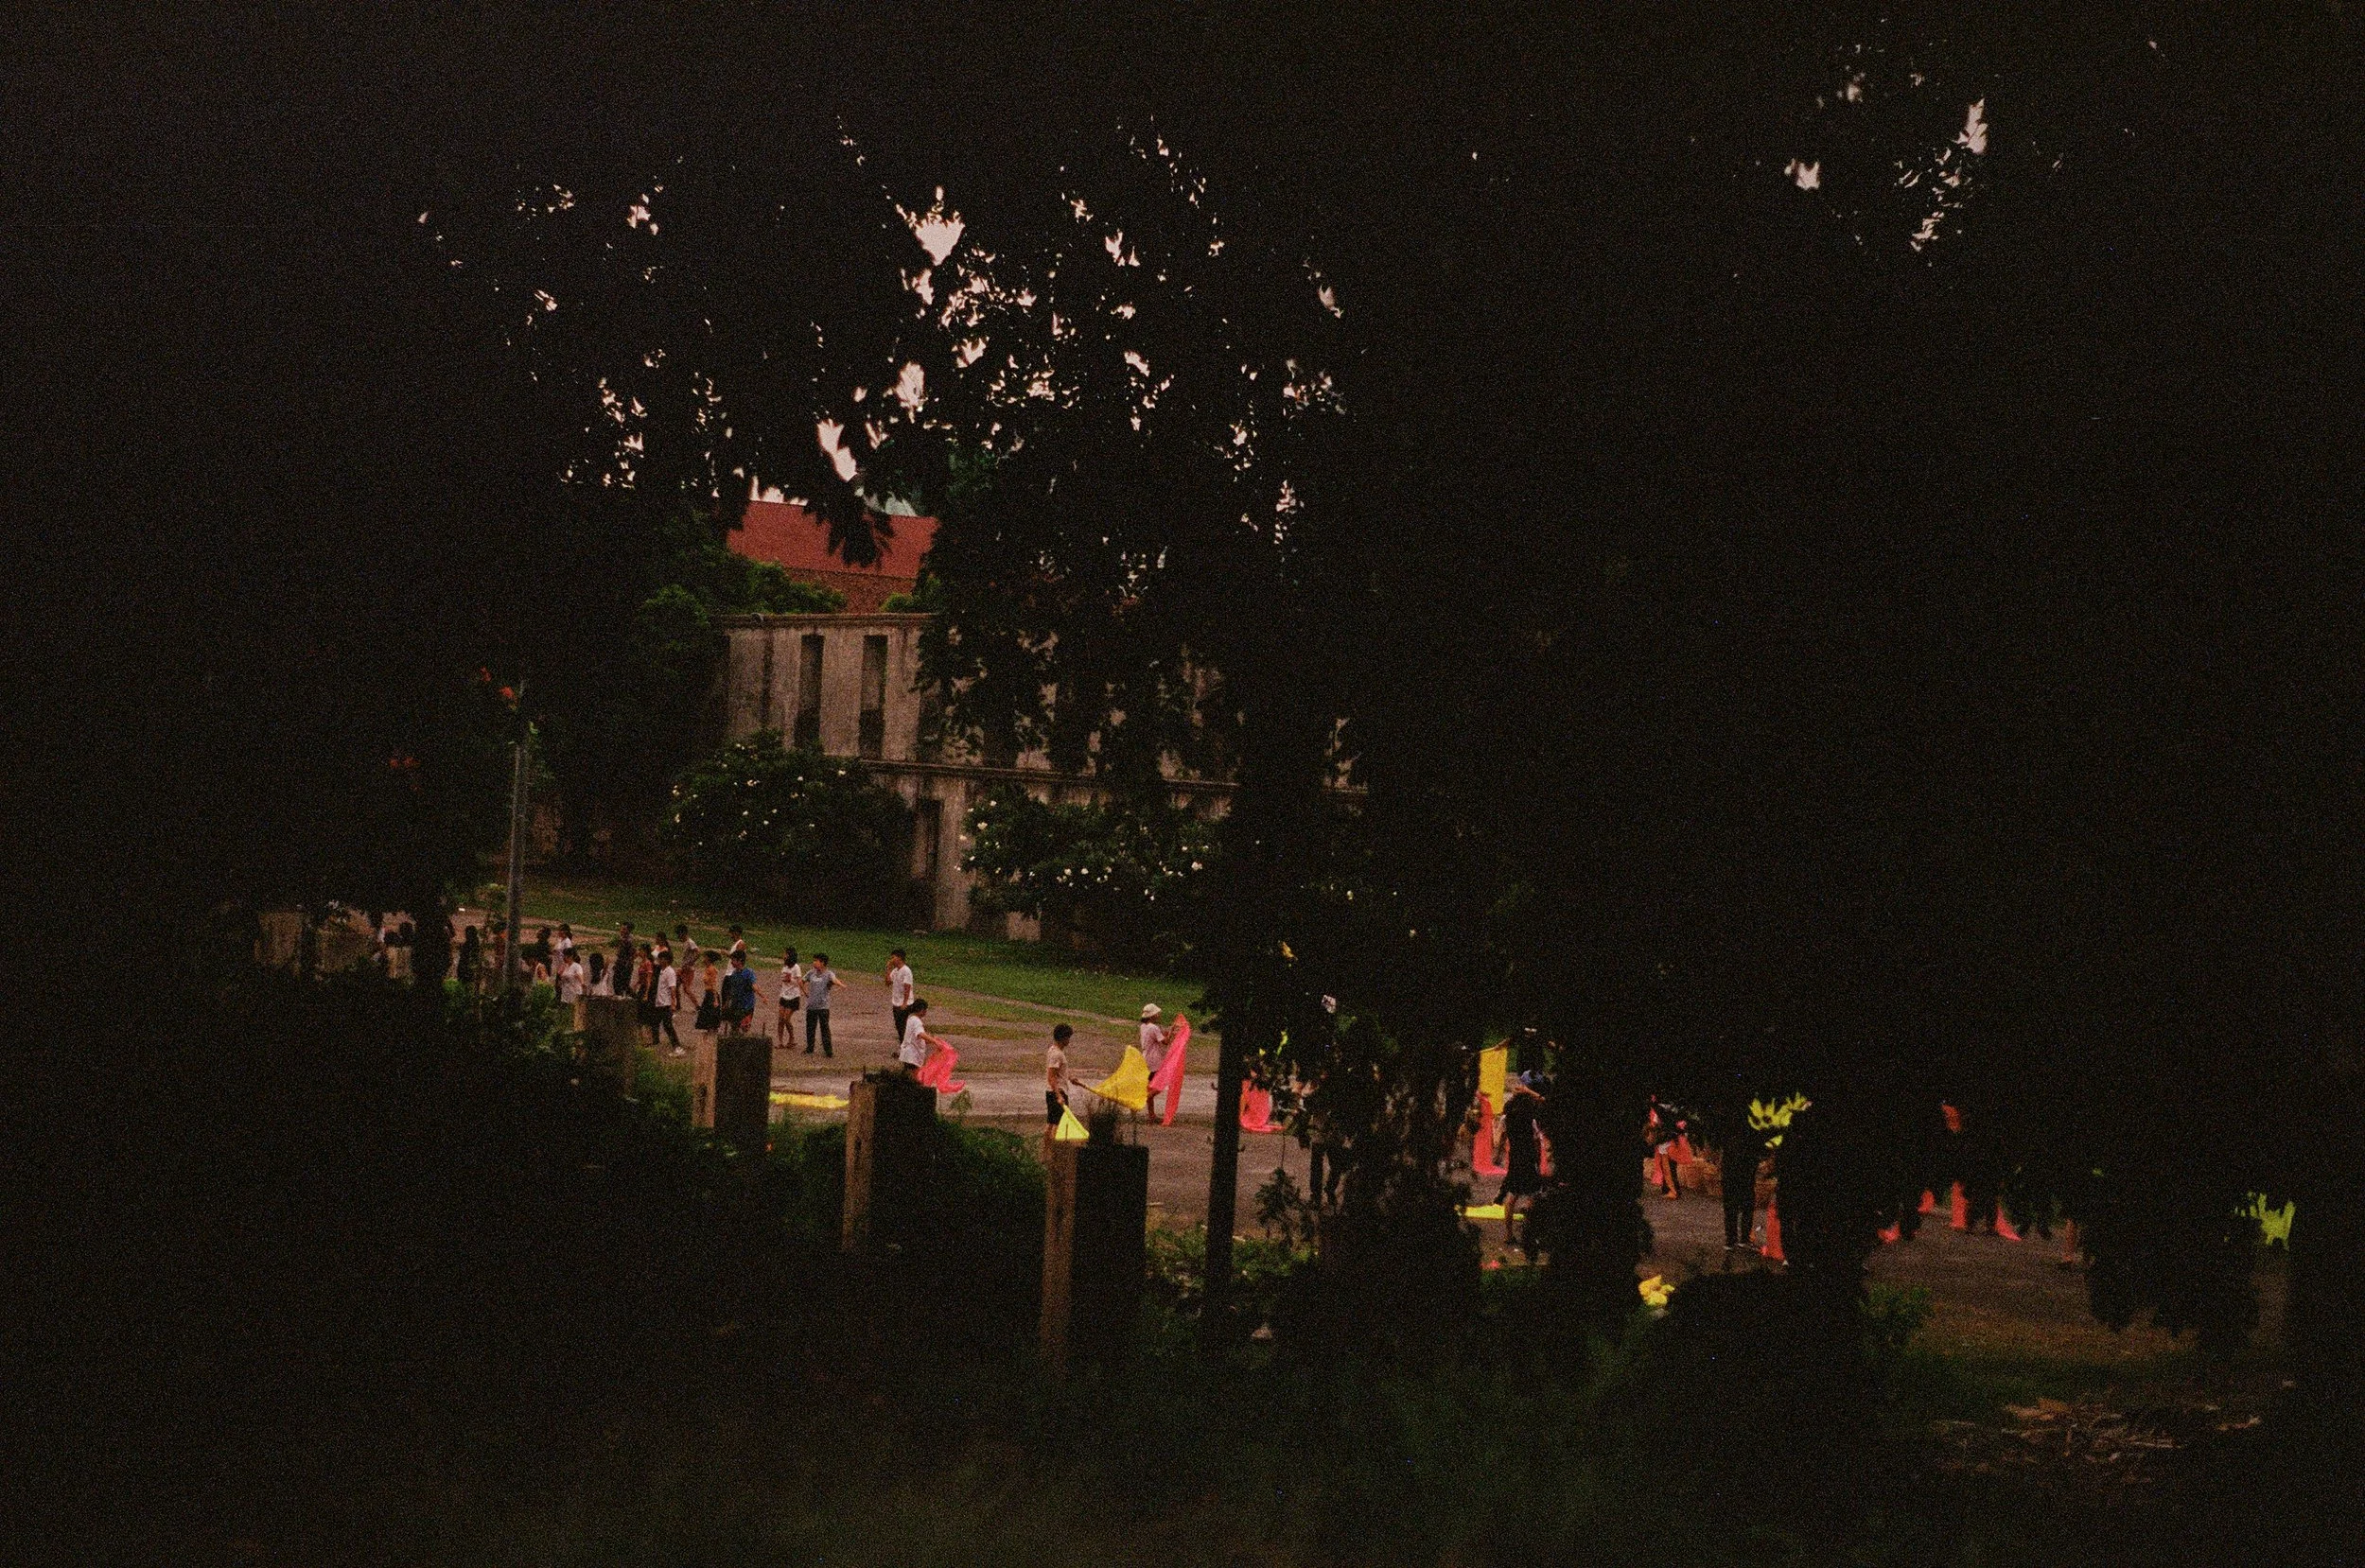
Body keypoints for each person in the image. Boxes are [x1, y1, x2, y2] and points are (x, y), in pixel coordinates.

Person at [1495, 1071, 1548, 1255]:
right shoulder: (1530, 1119)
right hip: (1527, 1157)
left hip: (1515, 1157)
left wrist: (1499, 1153)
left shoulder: (1507, 1117)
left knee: (1512, 1194)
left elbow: (1500, 1138)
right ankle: (1529, 1231)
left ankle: (1508, 1234)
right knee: (1533, 1194)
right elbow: (1535, 1140)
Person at [1043, 1022, 1075, 1158]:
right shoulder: (1057, 1054)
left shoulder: (1053, 1051)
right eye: (1068, 1037)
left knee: (1050, 1123)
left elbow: (1059, 1073)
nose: (1069, 1040)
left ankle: (1046, 1152)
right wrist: (1059, 1095)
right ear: (1063, 1038)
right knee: (1058, 1125)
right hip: (1058, 1092)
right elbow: (1051, 1077)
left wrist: (1071, 1078)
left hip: (1053, 1091)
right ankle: (1054, 1154)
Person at [801, 951, 836, 1057]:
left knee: (824, 1029)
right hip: (811, 1006)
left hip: (823, 1007)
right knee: (810, 1028)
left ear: (822, 963)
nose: (814, 962)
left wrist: (836, 984)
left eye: (816, 960)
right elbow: (802, 981)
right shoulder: (811, 973)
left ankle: (828, 1050)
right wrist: (805, 992)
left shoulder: (828, 974)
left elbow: (833, 981)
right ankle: (810, 1048)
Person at [652, 949, 685, 1055]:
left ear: (666, 960)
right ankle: (655, 1042)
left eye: (661, 959)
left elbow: (673, 989)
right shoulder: (662, 971)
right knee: (656, 1023)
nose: (659, 961)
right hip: (660, 1002)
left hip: (666, 1003)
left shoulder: (670, 972)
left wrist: (673, 1003)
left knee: (668, 1026)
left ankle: (677, 1047)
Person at [898, 998, 942, 1076]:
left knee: (908, 1076)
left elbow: (917, 1037)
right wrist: (935, 1041)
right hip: (912, 1055)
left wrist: (930, 1039)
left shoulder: (911, 1019)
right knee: (914, 1077)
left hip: (908, 1054)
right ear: (921, 1010)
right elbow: (921, 1034)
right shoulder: (916, 1021)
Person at [1139, 1004, 1168, 1121]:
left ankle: (1152, 1115)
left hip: (1146, 1059)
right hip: (1154, 1060)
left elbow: (1158, 1039)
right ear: (1152, 1015)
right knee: (1161, 1085)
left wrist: (1165, 1035)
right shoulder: (1154, 1028)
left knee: (1150, 1086)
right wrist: (1170, 1033)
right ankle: (1144, 1098)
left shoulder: (1143, 1026)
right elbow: (1165, 1042)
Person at [720, 949, 758, 1037]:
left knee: (744, 1027)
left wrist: (762, 995)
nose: (731, 962)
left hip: (747, 1005)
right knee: (734, 1025)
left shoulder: (748, 972)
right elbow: (731, 990)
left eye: (733, 960)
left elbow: (754, 985)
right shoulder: (734, 974)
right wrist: (726, 1002)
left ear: (740, 961)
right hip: (736, 1005)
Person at [886, 949, 916, 1043]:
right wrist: (888, 969)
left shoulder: (906, 971)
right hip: (896, 1002)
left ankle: (905, 1045)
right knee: (898, 1025)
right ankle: (903, 1045)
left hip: (904, 1003)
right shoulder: (895, 971)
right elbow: (888, 982)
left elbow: (907, 987)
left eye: (893, 957)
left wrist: (905, 1003)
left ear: (899, 958)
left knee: (902, 1025)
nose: (891, 959)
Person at [777, 948, 804, 1048]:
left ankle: (792, 1038)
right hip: (784, 995)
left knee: (786, 1019)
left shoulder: (796, 968)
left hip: (793, 996)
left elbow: (799, 981)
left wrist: (791, 979)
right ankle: (780, 1041)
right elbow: (783, 979)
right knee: (780, 1019)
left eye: (785, 954)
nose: (783, 955)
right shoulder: (785, 967)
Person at [455, 925, 481, 990]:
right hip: (467, 967)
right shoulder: (475, 942)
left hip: (465, 967)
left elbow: (466, 955)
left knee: (465, 985)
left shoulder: (470, 943)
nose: (465, 935)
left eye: (467, 933)